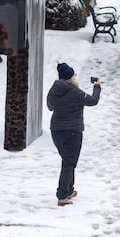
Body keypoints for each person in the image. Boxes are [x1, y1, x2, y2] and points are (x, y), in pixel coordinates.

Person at [45, 62, 101, 206]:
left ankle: (69, 189)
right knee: (69, 163)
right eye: (74, 75)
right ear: (70, 77)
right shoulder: (75, 92)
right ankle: (62, 195)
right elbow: (93, 101)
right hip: (73, 132)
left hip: (56, 131)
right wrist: (97, 86)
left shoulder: (53, 91)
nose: (76, 77)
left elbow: (50, 107)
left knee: (67, 161)